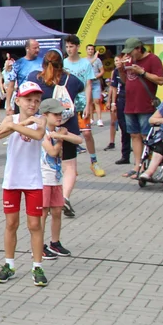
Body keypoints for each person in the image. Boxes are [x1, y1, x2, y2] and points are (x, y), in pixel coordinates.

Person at [0, 82, 51, 287]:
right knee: (11, 223)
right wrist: (17, 124)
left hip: (33, 181)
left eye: (36, 100)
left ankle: (37, 265)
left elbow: (38, 135)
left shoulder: (41, 120)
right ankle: (9, 264)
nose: (32, 104)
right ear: (17, 101)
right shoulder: (12, 118)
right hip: (12, 180)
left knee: (35, 224)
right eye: (28, 100)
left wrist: (14, 127)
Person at [27, 50, 85, 219]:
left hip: (43, 125)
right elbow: (81, 89)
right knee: (70, 166)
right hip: (67, 126)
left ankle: (45, 196)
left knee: (43, 162)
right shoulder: (72, 80)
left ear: (43, 64)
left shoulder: (34, 78)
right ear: (62, 64)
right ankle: (64, 197)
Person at [39, 99, 81, 261]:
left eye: (60, 114)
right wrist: (60, 138)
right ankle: (39, 245)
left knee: (57, 211)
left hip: (56, 179)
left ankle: (55, 242)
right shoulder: (41, 132)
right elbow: (52, 152)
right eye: (55, 114)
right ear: (45, 115)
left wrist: (60, 134)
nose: (59, 117)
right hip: (42, 179)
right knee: (42, 213)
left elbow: (79, 140)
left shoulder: (58, 130)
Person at [120, 38, 163, 177]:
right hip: (130, 104)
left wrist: (142, 72)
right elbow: (125, 81)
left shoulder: (153, 59)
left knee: (146, 135)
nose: (129, 55)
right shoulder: (129, 61)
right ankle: (137, 165)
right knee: (134, 135)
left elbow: (160, 80)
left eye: (131, 52)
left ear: (139, 48)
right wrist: (121, 69)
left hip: (145, 104)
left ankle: (147, 166)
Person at [63, 36, 105, 179]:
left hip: (82, 104)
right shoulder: (63, 64)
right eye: (67, 47)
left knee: (86, 134)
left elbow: (88, 85)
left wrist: (89, 105)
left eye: (72, 46)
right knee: (68, 136)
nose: (69, 49)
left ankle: (94, 161)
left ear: (78, 47)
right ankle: (70, 165)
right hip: (67, 105)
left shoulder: (86, 64)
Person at [86, 44, 106, 126]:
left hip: (96, 82)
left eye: (92, 49)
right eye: (89, 49)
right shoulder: (84, 60)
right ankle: (91, 118)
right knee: (89, 101)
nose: (90, 51)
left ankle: (99, 119)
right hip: (88, 83)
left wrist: (96, 76)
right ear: (86, 50)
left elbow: (102, 71)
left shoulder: (98, 60)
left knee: (96, 101)